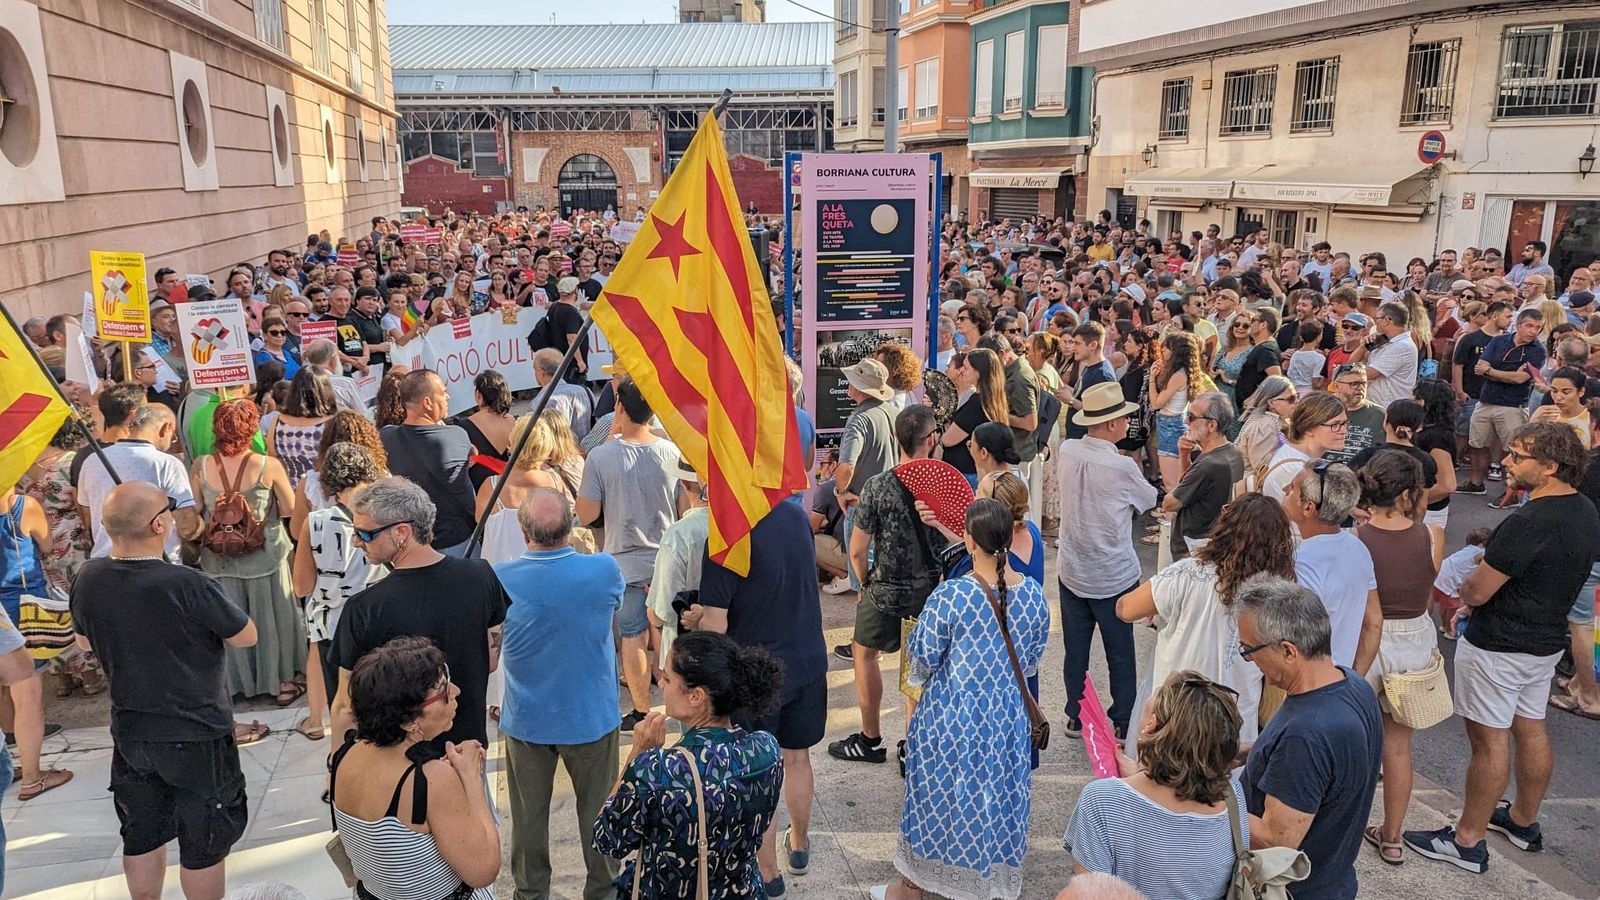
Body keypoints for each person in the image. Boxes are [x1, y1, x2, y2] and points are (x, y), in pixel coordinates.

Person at [1406, 422, 1600, 873]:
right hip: (1544, 643)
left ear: (1550, 466)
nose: (1507, 462)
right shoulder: (1585, 509)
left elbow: (1475, 591)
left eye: (1518, 455)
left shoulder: (1528, 521)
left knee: (1488, 739)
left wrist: (1470, 592)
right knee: (1530, 728)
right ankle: (1523, 821)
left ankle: (1466, 841)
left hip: (1499, 644)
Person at [70, 482, 259, 900]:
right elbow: (246, 634)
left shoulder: (89, 577)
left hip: (131, 731)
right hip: (196, 732)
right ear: (159, 523)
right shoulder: (187, 583)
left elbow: (83, 642)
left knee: (142, 834)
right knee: (203, 843)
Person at [884, 498, 1050, 900]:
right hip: (1007, 720)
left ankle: (918, 884)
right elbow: (1029, 662)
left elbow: (919, 664)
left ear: (970, 542)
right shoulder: (1034, 598)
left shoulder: (950, 597)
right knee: (995, 799)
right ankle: (987, 881)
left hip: (951, 717)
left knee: (940, 799)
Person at [693, 490, 828, 894]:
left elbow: (715, 626)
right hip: (806, 658)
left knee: (759, 772)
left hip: (755, 675)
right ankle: (800, 845)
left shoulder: (726, 536)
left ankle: (768, 874)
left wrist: (697, 618)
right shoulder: (793, 514)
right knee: (797, 758)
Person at [496, 488, 625, 900]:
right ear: (571, 525)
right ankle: (603, 892)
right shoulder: (604, 569)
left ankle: (531, 893)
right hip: (591, 717)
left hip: (527, 720)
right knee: (599, 814)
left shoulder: (498, 578)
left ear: (522, 529)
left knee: (528, 818)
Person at [593, 631, 785, 898]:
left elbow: (607, 837)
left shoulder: (658, 770)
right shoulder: (766, 751)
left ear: (696, 696)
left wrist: (636, 754)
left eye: (668, 678)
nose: (661, 683)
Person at [329, 477, 509, 750]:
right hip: (467, 749)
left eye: (365, 534)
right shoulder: (482, 576)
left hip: (399, 759)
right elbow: (491, 659)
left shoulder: (364, 608)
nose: (356, 542)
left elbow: (345, 706)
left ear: (401, 532)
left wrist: (338, 766)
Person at [1236, 575, 1383, 900]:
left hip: (1291, 890)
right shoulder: (1351, 684)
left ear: (1288, 651)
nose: (1249, 660)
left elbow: (1276, 839)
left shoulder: (1306, 734)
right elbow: (1325, 775)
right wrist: (1252, 752)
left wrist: (1207, 798)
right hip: (1334, 877)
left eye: (1249, 649)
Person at [1117, 494, 1295, 748]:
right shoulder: (1279, 592)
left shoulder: (1189, 572)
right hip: (1234, 720)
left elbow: (1125, 608)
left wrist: (1160, 611)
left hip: (1176, 710)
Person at [328, 637, 499, 900]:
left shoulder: (344, 756)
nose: (455, 691)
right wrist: (470, 777)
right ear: (410, 721)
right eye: (443, 691)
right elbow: (483, 870)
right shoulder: (429, 780)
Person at [1064, 672, 1249, 900]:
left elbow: (1090, 893)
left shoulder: (1102, 801)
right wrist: (1140, 775)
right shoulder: (1232, 796)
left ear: (1151, 725)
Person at [831, 406, 948, 765]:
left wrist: (864, 582)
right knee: (918, 665)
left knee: (864, 653)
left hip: (883, 588)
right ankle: (914, 743)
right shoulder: (945, 481)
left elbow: (857, 550)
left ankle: (870, 739)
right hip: (930, 591)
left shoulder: (878, 486)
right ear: (931, 440)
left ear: (897, 438)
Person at [1352, 450, 1443, 866]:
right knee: (1398, 747)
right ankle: (1392, 836)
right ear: (1409, 493)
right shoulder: (1431, 537)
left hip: (1368, 639)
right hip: (1415, 638)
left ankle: (1345, 826)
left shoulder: (1358, 540)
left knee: (1354, 742)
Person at [575, 376, 681, 731]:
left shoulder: (602, 457)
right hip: (667, 559)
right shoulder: (672, 451)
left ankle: (641, 710)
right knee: (670, 633)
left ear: (619, 406)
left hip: (624, 562)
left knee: (632, 636)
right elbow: (683, 508)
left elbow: (587, 514)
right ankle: (676, 704)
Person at [1056, 381, 1157, 737]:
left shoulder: (1068, 449)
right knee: (1120, 652)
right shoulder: (1122, 466)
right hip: (1112, 570)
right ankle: (1122, 719)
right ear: (1113, 424)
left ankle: (1074, 713)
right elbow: (1148, 499)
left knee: (1075, 651)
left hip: (1072, 566)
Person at [191, 400, 304, 708]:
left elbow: (197, 509)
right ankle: (281, 682)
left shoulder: (201, 465)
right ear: (252, 427)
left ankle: (236, 685)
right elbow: (291, 508)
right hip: (265, 553)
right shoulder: (267, 465)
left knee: (230, 619)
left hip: (219, 557)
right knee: (274, 618)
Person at [290, 442, 387, 742]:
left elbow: (302, 585)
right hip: (381, 618)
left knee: (343, 708)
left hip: (334, 627)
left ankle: (343, 769)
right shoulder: (388, 513)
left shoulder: (316, 522)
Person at [0, 485, 73, 800]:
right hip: (21, 606)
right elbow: (46, 544)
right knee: (27, 691)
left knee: (3, 690)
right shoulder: (22, 506)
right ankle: (32, 776)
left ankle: (8, 764)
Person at [1281, 460, 1381, 670]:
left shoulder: (1301, 562)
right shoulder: (1358, 548)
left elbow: (1296, 640)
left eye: (1293, 488)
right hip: (1340, 679)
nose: (1285, 490)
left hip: (1309, 686)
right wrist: (1354, 680)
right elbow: (1373, 622)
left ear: (1308, 507)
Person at [76, 399, 202, 560]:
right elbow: (187, 526)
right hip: (157, 564)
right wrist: (202, 527)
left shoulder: (92, 461)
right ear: (166, 428)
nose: (172, 442)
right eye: (174, 437)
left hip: (105, 562)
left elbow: (87, 516)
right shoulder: (167, 464)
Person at [380, 371, 479, 556]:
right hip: (459, 540)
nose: (448, 397)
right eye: (443, 392)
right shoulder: (456, 435)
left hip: (415, 544)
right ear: (427, 402)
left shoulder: (386, 437)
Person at [833, 358, 902, 594]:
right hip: (892, 503)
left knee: (863, 578)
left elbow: (846, 467)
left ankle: (863, 629)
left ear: (859, 387)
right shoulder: (894, 413)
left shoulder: (859, 420)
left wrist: (841, 492)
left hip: (864, 504)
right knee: (884, 573)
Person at [1467, 307, 1546, 493]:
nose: (1533, 331)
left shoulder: (1538, 351)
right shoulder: (1498, 341)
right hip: (1486, 401)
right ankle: (1475, 483)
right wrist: (1505, 374)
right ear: (1518, 325)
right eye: (1529, 326)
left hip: (1513, 406)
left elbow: (1521, 379)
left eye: (1538, 328)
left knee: (1515, 450)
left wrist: (1490, 372)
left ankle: (1511, 493)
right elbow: (1480, 367)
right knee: (1477, 444)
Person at [1158, 391, 1242, 557]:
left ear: (1212, 425)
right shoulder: (1233, 452)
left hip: (1193, 547)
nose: (1186, 421)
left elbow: (1170, 504)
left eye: (1191, 417)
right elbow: (1187, 483)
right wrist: (1184, 455)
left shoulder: (1209, 465)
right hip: (1213, 542)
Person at [1259, 392, 1348, 503]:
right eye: (1335, 425)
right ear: (1309, 429)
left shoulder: (1294, 455)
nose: (1344, 431)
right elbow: (1306, 517)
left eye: (1344, 423)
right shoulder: (1295, 470)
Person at [937, 349, 1007, 480]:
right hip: (977, 471)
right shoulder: (992, 398)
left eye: (966, 367)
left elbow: (948, 440)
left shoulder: (976, 405)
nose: (961, 370)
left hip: (965, 474)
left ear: (978, 372)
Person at [266, 366, 338, 486]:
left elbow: (274, 459)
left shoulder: (277, 422)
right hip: (325, 492)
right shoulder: (333, 423)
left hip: (292, 491)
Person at [452, 370, 515, 492]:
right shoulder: (515, 422)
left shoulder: (464, 426)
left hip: (483, 492)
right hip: (512, 486)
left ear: (479, 395)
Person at [1324, 362, 1387, 465]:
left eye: (1364, 383)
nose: (1360, 388)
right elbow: (1293, 437)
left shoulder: (1380, 415)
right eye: (1354, 384)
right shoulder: (1320, 411)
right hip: (1324, 476)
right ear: (1336, 386)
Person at [1364, 302, 1420, 409]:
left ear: (1386, 320)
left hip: (1386, 409)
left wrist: (1346, 370)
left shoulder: (1402, 346)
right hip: (1378, 406)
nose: (1375, 323)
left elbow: (1368, 374)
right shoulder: (1387, 341)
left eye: (1377, 319)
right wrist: (1364, 346)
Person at [531, 347, 593, 443]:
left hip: (559, 456)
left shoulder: (539, 402)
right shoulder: (585, 391)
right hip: (585, 454)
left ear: (540, 373)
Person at [1232, 309, 1284, 405]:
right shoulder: (1263, 347)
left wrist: (1253, 399)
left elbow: (1276, 379)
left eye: (1253, 320)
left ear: (1263, 325)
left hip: (1254, 409)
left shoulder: (1265, 350)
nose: (1250, 324)